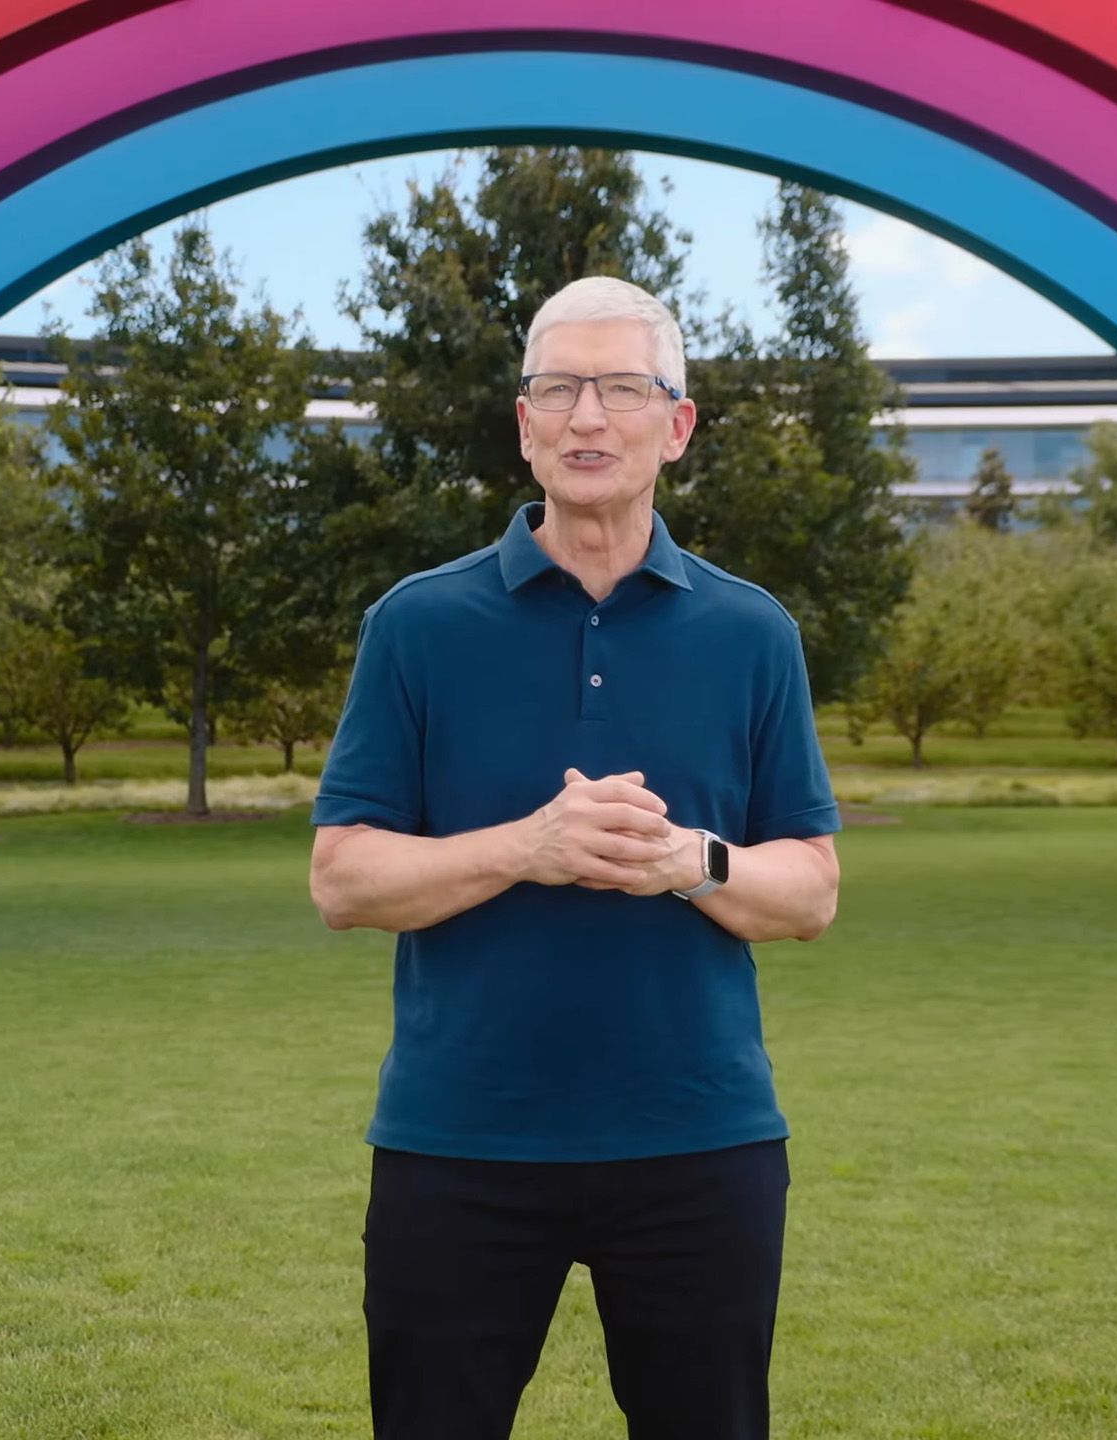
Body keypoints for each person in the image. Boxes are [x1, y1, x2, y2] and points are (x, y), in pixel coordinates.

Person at [306, 275, 845, 1439]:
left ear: (678, 425)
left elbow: (809, 893)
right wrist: (528, 846)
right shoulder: (419, 624)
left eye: (620, 388)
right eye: (558, 389)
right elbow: (342, 880)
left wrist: (692, 863)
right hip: (460, 1144)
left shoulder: (752, 633)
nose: (586, 418)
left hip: (700, 1146)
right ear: (524, 425)